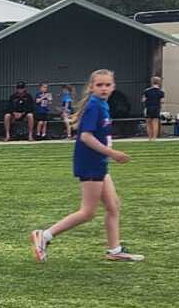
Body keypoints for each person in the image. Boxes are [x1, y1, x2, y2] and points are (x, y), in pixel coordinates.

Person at [30, 69, 143, 262]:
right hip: (90, 163)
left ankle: (115, 250)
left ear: (113, 86)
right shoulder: (94, 106)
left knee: (113, 206)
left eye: (107, 85)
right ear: (91, 87)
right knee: (88, 212)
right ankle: (44, 235)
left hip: (99, 162)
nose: (104, 88)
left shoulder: (101, 104)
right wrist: (113, 153)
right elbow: (86, 137)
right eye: (99, 85)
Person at [142, 77, 163, 141]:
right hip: (156, 108)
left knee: (148, 123)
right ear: (159, 83)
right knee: (155, 123)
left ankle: (150, 138)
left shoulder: (146, 91)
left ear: (152, 82)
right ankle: (154, 138)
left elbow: (143, 100)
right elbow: (162, 101)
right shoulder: (161, 91)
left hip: (148, 108)